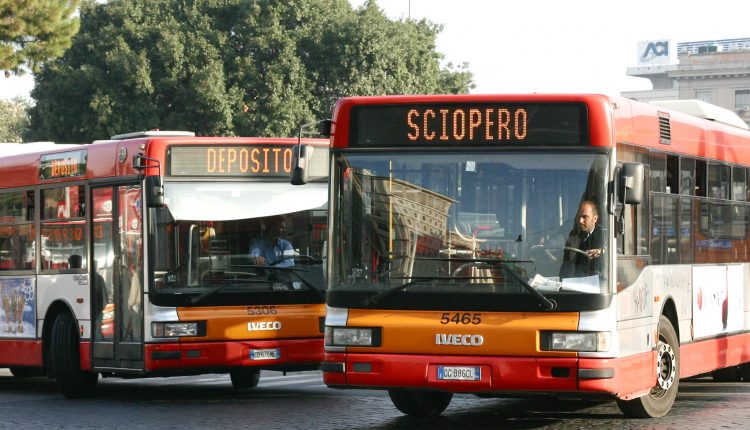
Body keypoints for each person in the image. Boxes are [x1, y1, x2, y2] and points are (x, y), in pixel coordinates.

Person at [560, 200, 604, 278]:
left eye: (585, 217)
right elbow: (566, 262)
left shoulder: (604, 235)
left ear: (595, 219)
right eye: (579, 216)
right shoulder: (574, 234)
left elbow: (613, 253)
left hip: (594, 282)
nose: (580, 221)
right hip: (572, 280)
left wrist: (603, 251)